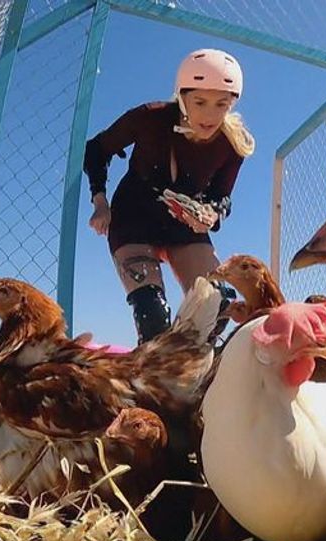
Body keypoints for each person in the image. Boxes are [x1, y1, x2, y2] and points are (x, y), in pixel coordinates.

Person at [83, 48, 253, 343]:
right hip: (134, 214)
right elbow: (96, 150)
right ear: (182, 95)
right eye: (200, 101)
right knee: (153, 317)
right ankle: (155, 368)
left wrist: (210, 214)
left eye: (221, 104)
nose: (210, 115)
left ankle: (192, 368)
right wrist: (101, 201)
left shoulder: (232, 143)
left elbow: (221, 197)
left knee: (217, 304)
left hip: (182, 222)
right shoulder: (150, 117)